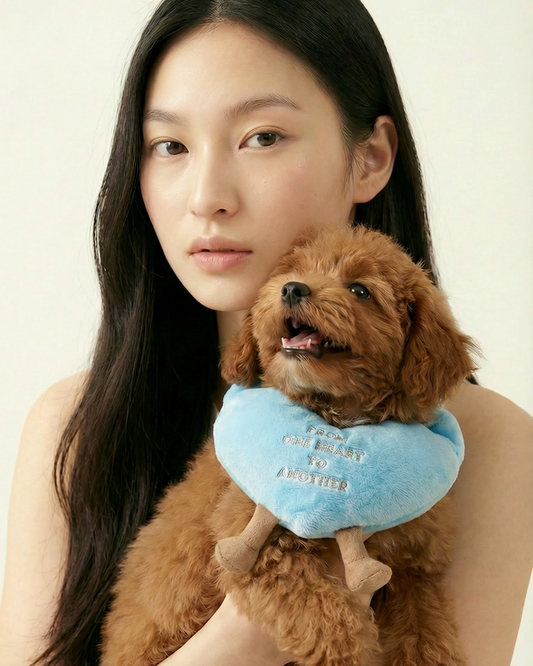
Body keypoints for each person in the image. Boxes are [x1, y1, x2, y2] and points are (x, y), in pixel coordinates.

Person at [1, 1, 531, 665]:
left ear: (369, 158)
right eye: (170, 146)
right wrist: (247, 627)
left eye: (262, 137)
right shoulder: (74, 425)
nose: (207, 197)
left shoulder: (483, 444)